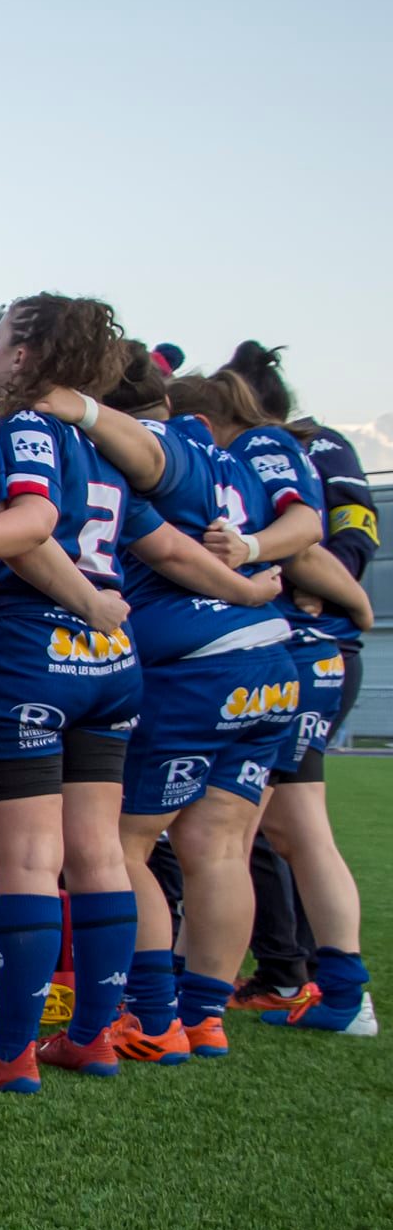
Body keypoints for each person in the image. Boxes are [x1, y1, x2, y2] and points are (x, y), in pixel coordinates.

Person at [0, 306, 282, 1092]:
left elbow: (30, 527)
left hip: (32, 653)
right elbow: (169, 549)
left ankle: (10, 1053)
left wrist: (67, 591)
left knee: (26, 861)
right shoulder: (106, 445)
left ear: (26, 357)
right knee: (98, 854)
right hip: (111, 667)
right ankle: (92, 1036)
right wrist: (249, 588)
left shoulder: (22, 430)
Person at [23, 363, 317, 1063]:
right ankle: (204, 1017)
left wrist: (83, 413)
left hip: (192, 665)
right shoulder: (243, 463)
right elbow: (305, 524)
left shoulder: (152, 445)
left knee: (120, 847)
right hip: (271, 660)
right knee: (220, 848)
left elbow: (160, 499)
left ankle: (152, 1016)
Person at [180, 368, 377, 1036]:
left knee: (254, 832)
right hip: (293, 653)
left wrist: (350, 598)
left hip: (303, 653)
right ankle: (305, 986)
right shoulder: (243, 451)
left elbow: (307, 534)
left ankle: (334, 992)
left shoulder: (259, 447)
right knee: (270, 830)